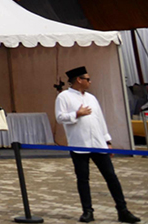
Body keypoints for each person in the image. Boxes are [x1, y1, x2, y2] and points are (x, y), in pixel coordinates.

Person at [56, 66, 139, 223]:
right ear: (79, 80)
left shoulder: (91, 98)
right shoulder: (64, 97)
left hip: (98, 143)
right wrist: (76, 114)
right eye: (87, 79)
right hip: (79, 144)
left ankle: (123, 210)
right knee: (83, 178)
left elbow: (100, 119)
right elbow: (60, 117)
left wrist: (107, 141)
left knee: (111, 177)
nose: (90, 82)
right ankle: (87, 211)